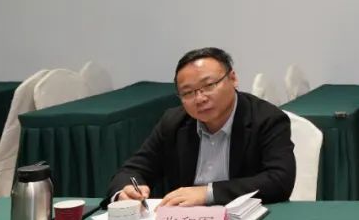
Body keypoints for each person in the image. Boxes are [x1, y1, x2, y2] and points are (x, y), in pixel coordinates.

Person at [103, 47, 296, 209]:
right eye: (188, 93)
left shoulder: (266, 119)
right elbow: (132, 170)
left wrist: (208, 193)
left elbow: (279, 180)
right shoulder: (174, 122)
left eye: (209, 85)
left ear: (233, 78)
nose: (200, 98)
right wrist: (125, 191)